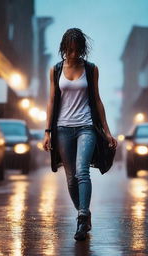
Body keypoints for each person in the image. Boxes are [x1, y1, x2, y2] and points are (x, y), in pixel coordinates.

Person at [43, 28, 117, 241]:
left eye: (77, 50)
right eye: (70, 50)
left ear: (83, 49)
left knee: (82, 171)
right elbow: (51, 101)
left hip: (86, 127)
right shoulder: (55, 70)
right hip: (62, 129)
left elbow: (98, 99)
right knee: (70, 178)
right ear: (64, 48)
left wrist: (107, 131)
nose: (73, 54)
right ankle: (83, 212)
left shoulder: (91, 69)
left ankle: (82, 218)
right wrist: (47, 132)